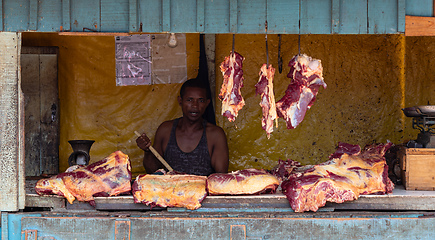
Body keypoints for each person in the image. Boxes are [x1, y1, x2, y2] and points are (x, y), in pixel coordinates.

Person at [136, 78, 229, 175]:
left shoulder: (215, 135)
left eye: (200, 101)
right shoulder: (165, 130)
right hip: (169, 189)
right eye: (189, 100)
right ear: (180, 101)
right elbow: (152, 171)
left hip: (201, 189)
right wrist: (147, 151)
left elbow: (221, 178)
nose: (195, 106)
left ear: (207, 103)